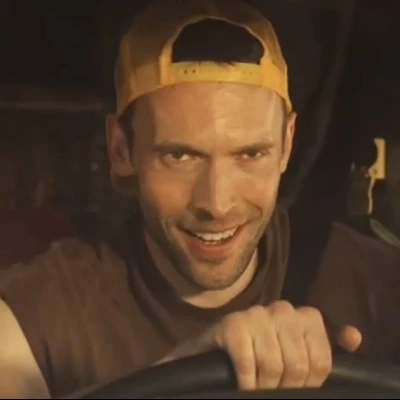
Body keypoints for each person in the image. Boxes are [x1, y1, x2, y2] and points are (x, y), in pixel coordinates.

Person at [0, 1, 399, 398]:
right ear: (121, 150)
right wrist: (179, 373)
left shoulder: (376, 285)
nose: (217, 204)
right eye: (179, 156)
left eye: (251, 154)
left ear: (287, 144)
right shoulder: (45, 309)